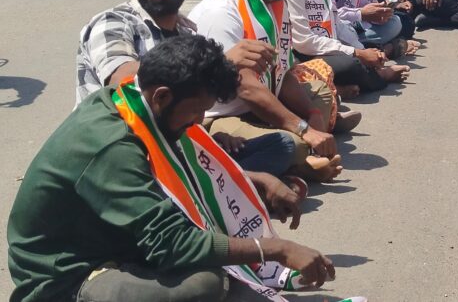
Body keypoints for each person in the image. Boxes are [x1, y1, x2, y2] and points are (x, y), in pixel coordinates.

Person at [8, 36, 344, 302]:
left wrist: (253, 181)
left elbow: (185, 170)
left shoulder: (134, 101)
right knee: (204, 284)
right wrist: (276, 249)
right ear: (162, 96)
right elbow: (172, 244)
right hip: (66, 274)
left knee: (216, 260)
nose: (199, 121)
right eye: (197, 111)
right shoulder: (112, 146)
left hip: (107, 238)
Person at [76, 0, 296, 175]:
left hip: (174, 142)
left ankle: (233, 182)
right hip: (123, 148)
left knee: (282, 145)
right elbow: (126, 83)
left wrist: (207, 137)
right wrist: (221, 62)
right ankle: (236, 184)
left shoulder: (186, 31)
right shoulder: (113, 23)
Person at [189, 0, 344, 182]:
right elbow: (246, 88)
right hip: (222, 115)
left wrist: (312, 114)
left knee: (320, 93)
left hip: (263, 100)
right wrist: (304, 129)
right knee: (290, 144)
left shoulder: (274, 5)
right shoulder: (221, 12)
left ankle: (304, 150)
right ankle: (300, 161)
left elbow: (283, 72)